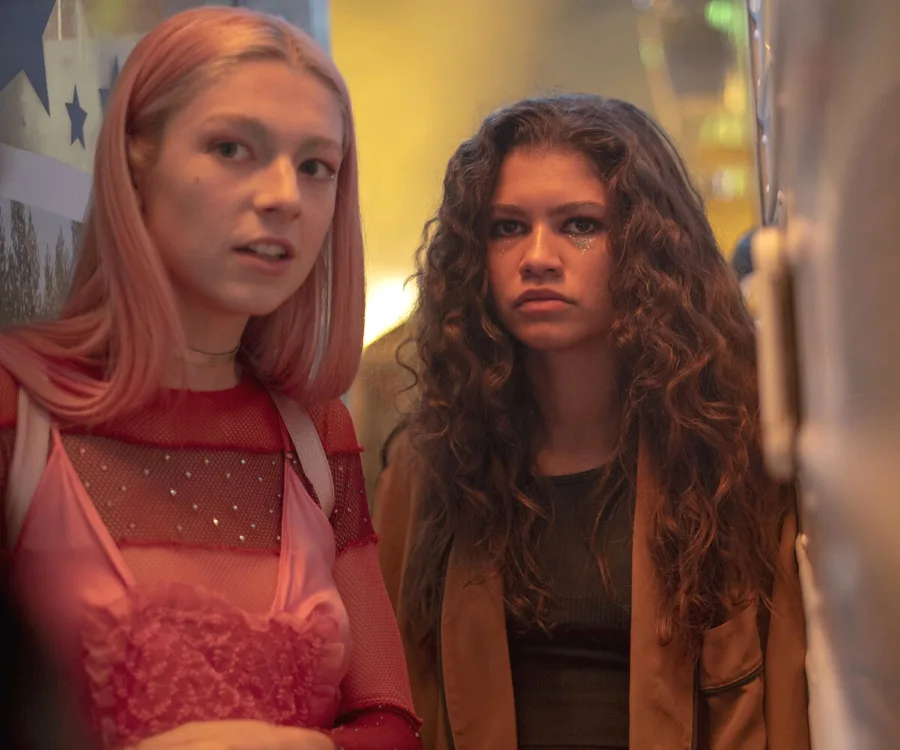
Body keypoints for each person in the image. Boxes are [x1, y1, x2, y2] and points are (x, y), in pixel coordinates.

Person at [0, 8, 420, 750]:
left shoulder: (317, 435)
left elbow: (389, 720)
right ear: (136, 160)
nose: (284, 195)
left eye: (316, 165)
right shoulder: (18, 409)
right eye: (233, 148)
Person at [374, 95, 809, 750]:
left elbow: (792, 701)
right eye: (506, 227)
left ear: (645, 247)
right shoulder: (431, 463)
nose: (538, 256)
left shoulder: (732, 451)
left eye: (580, 225)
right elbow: (394, 689)